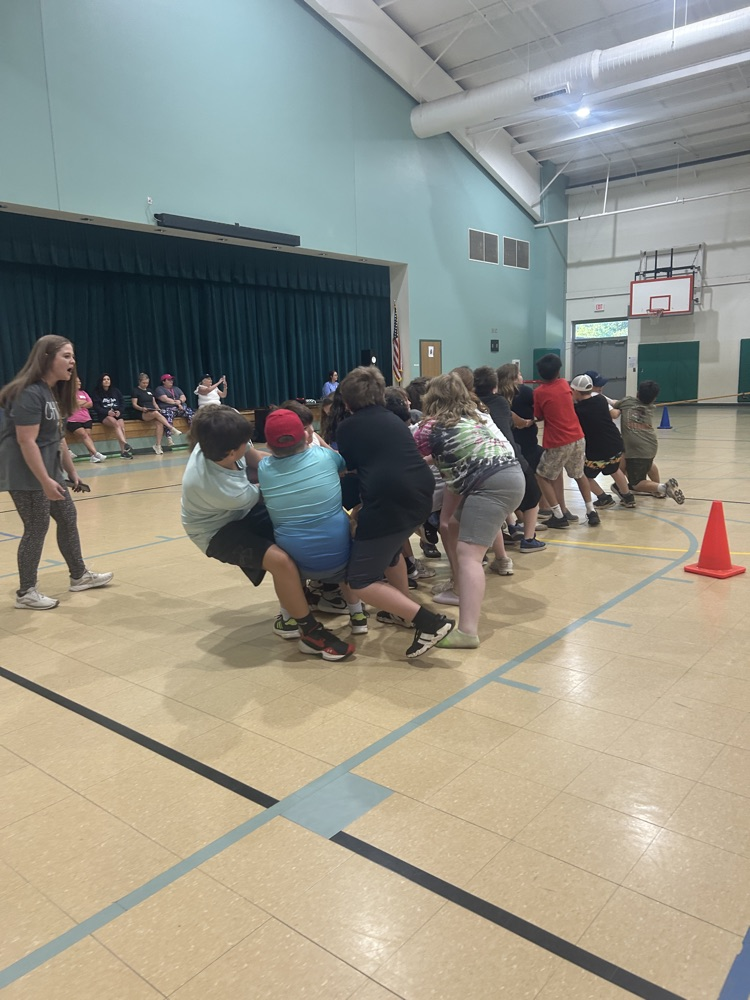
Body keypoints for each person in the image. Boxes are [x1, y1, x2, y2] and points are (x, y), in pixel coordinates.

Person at [181, 405, 353, 660]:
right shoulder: (219, 487)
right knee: (280, 560)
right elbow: (275, 490)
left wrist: (295, 465)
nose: (249, 445)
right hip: (216, 530)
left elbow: (259, 459)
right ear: (231, 452)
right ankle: (308, 632)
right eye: (245, 444)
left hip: (240, 511)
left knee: (294, 532)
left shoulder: (219, 437)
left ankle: (317, 591)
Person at [336, 365, 455, 659]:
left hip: (391, 501)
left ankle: (429, 622)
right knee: (390, 554)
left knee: (360, 579)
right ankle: (402, 611)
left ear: (347, 402)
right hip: (420, 495)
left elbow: (348, 466)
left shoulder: (348, 427)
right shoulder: (392, 418)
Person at [0, 335, 113, 609]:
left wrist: (71, 473)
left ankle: (79, 575)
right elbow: (26, 441)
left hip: (49, 472)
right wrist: (44, 480)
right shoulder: (29, 393)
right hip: (27, 475)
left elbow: (57, 438)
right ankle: (26, 592)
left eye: (73, 356)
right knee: (36, 527)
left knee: (67, 517)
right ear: (46, 358)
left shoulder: (50, 392)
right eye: (66, 355)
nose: (72, 361)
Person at [414, 373, 525, 649]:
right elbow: (459, 453)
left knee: (468, 556)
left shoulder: (431, 428)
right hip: (511, 477)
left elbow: (411, 455)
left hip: (489, 485)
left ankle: (467, 631)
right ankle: (461, 591)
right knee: (456, 527)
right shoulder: (475, 417)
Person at [257, 408, 368, 637]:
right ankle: (357, 616)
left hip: (296, 564)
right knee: (346, 541)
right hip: (339, 557)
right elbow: (342, 465)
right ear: (307, 436)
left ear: (268, 445)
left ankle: (288, 619)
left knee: (282, 564)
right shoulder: (325, 457)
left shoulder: (264, 469)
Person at [474, 366, 545, 552]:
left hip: (483, 461)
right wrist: (528, 422)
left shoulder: (471, 406)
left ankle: (512, 526)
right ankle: (529, 539)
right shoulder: (501, 402)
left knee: (498, 497)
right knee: (533, 497)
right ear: (495, 387)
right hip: (510, 456)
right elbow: (514, 421)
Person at [533, 354, 600, 529]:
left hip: (558, 441)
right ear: (558, 371)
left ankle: (558, 515)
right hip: (577, 437)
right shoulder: (564, 384)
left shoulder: (539, 392)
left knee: (542, 476)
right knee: (579, 474)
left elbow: (538, 415)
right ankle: (591, 511)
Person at [570, 374, 635, 508]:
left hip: (597, 450)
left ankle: (603, 498)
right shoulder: (600, 399)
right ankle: (628, 497)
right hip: (615, 443)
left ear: (575, 391)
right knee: (614, 469)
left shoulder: (578, 410)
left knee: (583, 475)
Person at [614, 380, 685, 503]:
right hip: (651, 445)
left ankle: (663, 488)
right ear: (654, 399)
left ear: (637, 393)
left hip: (636, 450)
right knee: (649, 464)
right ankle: (657, 491)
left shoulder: (627, 402)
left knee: (636, 483)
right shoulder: (651, 407)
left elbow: (613, 403)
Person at [132, 373, 180, 455]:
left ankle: (158, 445)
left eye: (147, 383)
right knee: (155, 413)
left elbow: (154, 403)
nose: (145, 384)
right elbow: (134, 404)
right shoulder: (135, 391)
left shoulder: (150, 391)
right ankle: (171, 428)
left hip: (152, 410)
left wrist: (158, 408)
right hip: (142, 412)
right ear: (139, 382)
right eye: (143, 383)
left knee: (159, 423)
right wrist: (142, 408)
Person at [91, 373, 133, 458]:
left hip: (116, 414)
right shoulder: (96, 392)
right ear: (101, 381)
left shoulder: (115, 391)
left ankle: (124, 452)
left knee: (121, 427)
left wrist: (119, 411)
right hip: (104, 415)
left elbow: (122, 403)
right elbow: (96, 407)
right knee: (116, 424)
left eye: (108, 379)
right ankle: (125, 443)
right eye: (104, 379)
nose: (106, 381)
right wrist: (107, 412)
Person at [66, 377, 107, 463]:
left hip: (86, 418)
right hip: (73, 420)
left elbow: (90, 404)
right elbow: (73, 403)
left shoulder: (84, 393)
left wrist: (80, 403)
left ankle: (92, 456)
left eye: (80, 381)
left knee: (88, 436)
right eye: (77, 381)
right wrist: (83, 403)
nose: (79, 383)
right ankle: (96, 453)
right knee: (84, 434)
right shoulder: (68, 393)